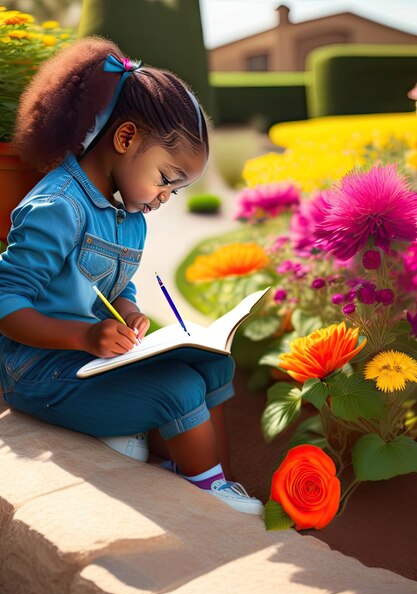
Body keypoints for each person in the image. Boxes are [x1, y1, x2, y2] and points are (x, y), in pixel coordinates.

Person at [0, 37, 263, 516]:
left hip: (94, 360)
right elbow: (7, 304)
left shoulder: (129, 215)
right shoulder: (57, 207)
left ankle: (213, 477)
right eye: (166, 179)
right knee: (177, 390)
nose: (165, 197)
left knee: (213, 365)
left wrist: (128, 310)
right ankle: (210, 497)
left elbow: (115, 285)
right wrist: (85, 334)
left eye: (178, 191)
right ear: (125, 140)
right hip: (38, 372)